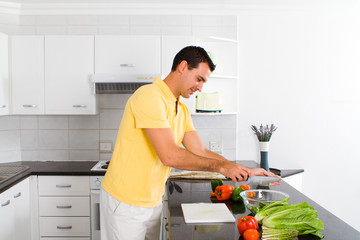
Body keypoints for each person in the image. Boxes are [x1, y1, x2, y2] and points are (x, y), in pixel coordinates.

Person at [100, 46, 279, 240]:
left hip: (152, 201)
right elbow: (169, 155)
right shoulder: (149, 96)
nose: (200, 87)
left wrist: (239, 168)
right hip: (125, 203)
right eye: (199, 79)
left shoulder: (181, 109)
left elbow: (200, 150)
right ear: (183, 66)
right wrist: (221, 167)